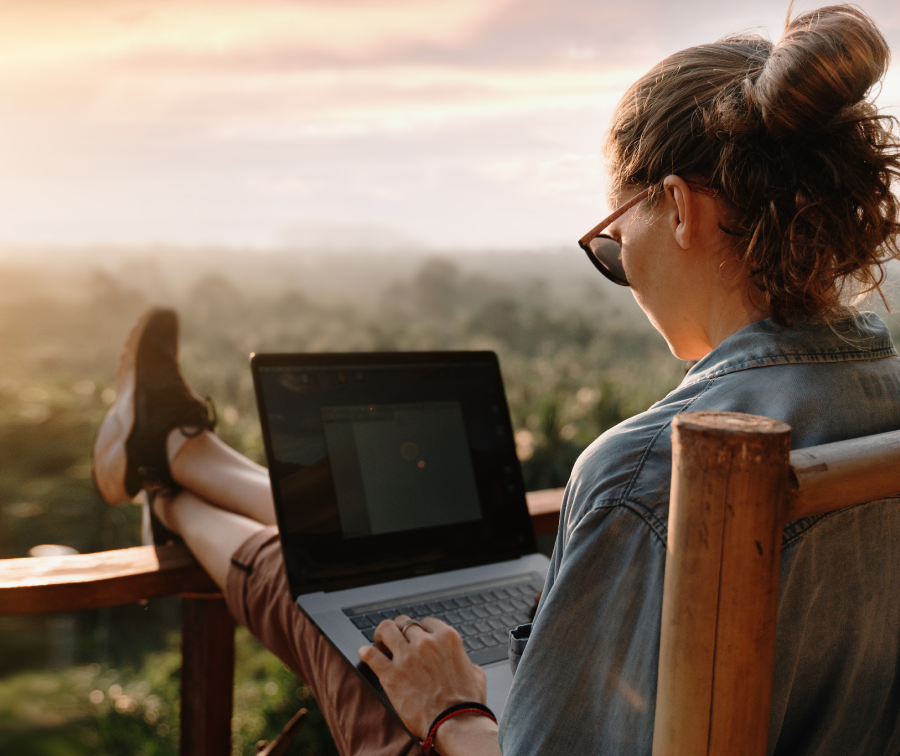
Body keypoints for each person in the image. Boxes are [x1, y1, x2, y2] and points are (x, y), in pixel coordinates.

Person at [91, 5, 900, 755]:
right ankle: (181, 453)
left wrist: (450, 707)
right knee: (369, 560)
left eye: (613, 243)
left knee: (324, 599)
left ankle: (169, 475)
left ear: (680, 209)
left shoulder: (653, 471)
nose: (622, 271)